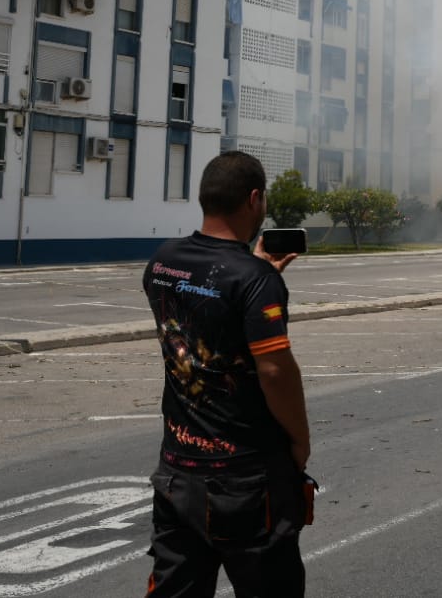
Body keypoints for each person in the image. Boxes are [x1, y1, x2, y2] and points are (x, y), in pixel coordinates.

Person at [141, 151, 312, 596]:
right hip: (246, 480)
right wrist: (300, 440)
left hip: (176, 473)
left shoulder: (162, 261)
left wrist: (253, 265)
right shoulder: (255, 280)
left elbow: (208, 304)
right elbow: (275, 370)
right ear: (254, 199)